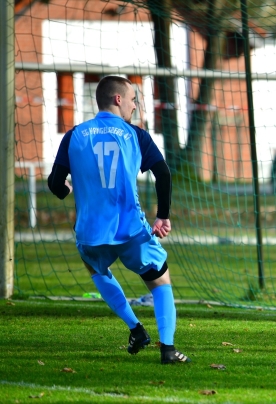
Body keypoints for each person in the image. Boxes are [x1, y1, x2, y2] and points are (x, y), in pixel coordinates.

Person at [47, 75, 190, 365]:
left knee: (95, 268)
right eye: (134, 99)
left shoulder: (74, 135)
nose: (135, 106)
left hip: (91, 231)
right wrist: (162, 215)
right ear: (118, 99)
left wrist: (66, 190)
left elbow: (54, 183)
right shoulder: (136, 135)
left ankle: (136, 329)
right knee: (160, 280)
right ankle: (169, 350)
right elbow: (163, 173)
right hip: (130, 230)